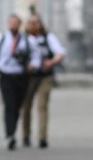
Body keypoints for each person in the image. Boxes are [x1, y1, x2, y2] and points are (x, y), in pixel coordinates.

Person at [0, 13, 34, 151]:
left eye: (15, 23)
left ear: (19, 24)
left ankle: (13, 128)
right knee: (9, 105)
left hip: (22, 75)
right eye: (10, 22)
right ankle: (10, 134)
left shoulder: (27, 40)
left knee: (17, 106)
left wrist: (32, 64)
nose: (13, 25)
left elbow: (36, 56)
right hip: (5, 75)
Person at [19, 12, 65, 149]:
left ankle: (42, 136)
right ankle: (26, 134)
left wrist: (51, 62)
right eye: (31, 23)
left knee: (42, 105)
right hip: (28, 76)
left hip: (45, 75)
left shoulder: (48, 37)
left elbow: (60, 53)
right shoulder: (22, 39)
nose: (33, 25)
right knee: (26, 106)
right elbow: (15, 54)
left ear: (40, 24)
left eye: (36, 23)